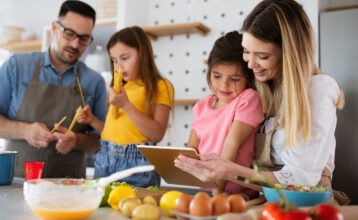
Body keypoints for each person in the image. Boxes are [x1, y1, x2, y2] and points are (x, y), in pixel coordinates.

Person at [175, 0, 349, 204]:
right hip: (266, 199)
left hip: (305, 205)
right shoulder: (261, 90)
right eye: (246, 52)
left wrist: (229, 170)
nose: (249, 63)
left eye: (262, 56)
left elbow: (302, 180)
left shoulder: (317, 89)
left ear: (289, 54)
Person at [0, 0, 107, 178]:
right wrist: (25, 131)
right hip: (16, 182)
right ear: (54, 28)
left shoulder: (94, 81)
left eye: (83, 38)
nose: (75, 44)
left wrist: (76, 140)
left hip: (69, 188)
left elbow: (101, 141)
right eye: (69, 34)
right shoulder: (16, 66)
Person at [91, 26, 174, 187]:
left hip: (137, 163)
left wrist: (126, 105)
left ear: (143, 54)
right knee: (101, 210)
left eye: (125, 58)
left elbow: (157, 134)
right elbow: (115, 132)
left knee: (136, 210)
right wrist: (92, 121)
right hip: (104, 157)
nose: (119, 66)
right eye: (114, 60)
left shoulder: (160, 86)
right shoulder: (119, 88)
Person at [187, 31, 264, 199]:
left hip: (238, 191)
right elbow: (192, 147)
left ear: (248, 78)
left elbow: (232, 142)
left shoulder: (248, 98)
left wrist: (218, 190)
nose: (224, 85)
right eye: (217, 76)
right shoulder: (201, 106)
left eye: (235, 79)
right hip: (205, 189)